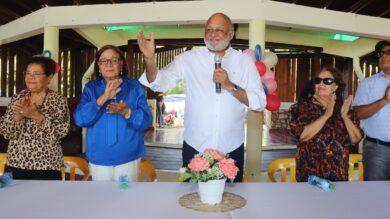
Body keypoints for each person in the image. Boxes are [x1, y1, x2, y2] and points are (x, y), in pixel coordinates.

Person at [137, 13, 266, 182]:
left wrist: (229, 85)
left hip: (231, 149)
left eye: (219, 29)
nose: (213, 34)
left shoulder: (244, 63)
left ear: (231, 35)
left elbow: (259, 102)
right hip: (195, 147)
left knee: (231, 202)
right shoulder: (189, 59)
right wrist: (149, 59)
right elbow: (159, 82)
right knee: (190, 200)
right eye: (209, 29)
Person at [73, 45, 152, 182]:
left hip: (128, 156)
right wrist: (103, 98)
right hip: (99, 157)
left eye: (114, 60)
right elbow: (80, 119)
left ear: (121, 63)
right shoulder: (91, 88)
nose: (108, 64)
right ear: (98, 65)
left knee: (125, 196)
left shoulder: (134, 87)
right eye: (103, 61)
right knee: (103, 198)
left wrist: (127, 112)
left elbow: (146, 121)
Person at [0, 56, 70, 180]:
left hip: (47, 165)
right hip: (18, 163)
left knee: (47, 199)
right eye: (28, 73)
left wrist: (35, 115)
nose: (30, 77)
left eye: (36, 73)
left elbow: (61, 131)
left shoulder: (58, 100)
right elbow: (5, 132)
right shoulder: (18, 97)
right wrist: (17, 117)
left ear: (49, 77)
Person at [289, 67, 362, 182]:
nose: (321, 84)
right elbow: (302, 136)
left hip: (338, 175)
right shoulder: (303, 108)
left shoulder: (344, 110)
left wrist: (345, 118)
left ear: (336, 87)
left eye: (327, 81)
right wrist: (326, 115)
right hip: (310, 176)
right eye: (318, 80)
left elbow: (356, 139)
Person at [352, 40, 390, 180]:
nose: (383, 56)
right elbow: (357, 114)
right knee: (375, 195)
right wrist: (384, 100)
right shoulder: (368, 83)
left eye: (388, 52)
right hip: (377, 150)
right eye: (381, 54)